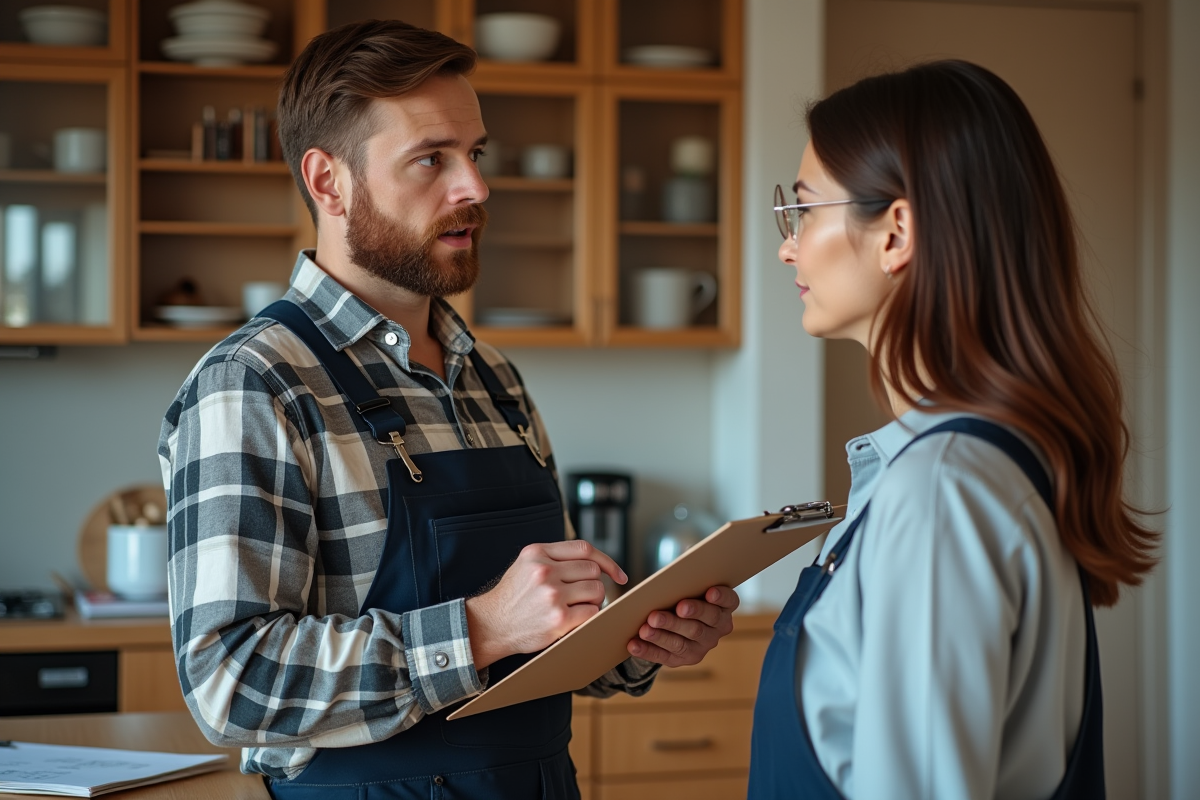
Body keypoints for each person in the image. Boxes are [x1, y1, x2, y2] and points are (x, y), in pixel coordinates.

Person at [158, 19, 738, 800]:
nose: (474, 188)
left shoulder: (494, 377)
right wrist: (480, 627)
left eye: (476, 154)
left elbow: (543, 634)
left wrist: (632, 644)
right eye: (431, 159)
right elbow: (229, 681)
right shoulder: (255, 383)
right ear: (328, 182)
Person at [748, 60, 1157, 800]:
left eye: (802, 211)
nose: (788, 246)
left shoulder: (939, 492)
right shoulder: (979, 465)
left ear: (895, 231)